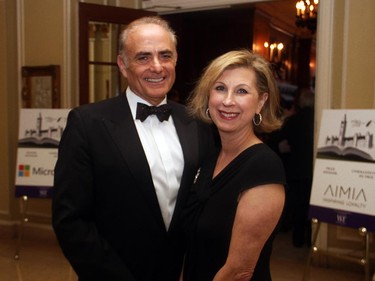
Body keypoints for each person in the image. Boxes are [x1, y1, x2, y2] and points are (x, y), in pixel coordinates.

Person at [52, 16, 213, 281]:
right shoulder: (87, 123)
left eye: (165, 55)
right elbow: (70, 221)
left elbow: (201, 206)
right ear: (122, 65)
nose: (157, 67)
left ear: (175, 60)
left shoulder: (196, 122)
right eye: (143, 58)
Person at [183, 49, 286, 281]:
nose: (228, 101)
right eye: (220, 88)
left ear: (261, 102)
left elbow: (239, 271)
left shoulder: (264, 166)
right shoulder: (209, 157)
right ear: (208, 96)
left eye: (241, 91)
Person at [283, 88, 315, 247]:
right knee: (311, 205)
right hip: (313, 169)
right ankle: (311, 240)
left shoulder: (294, 120)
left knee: (297, 206)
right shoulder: (317, 119)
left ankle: (297, 240)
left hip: (296, 168)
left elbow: (282, 140)